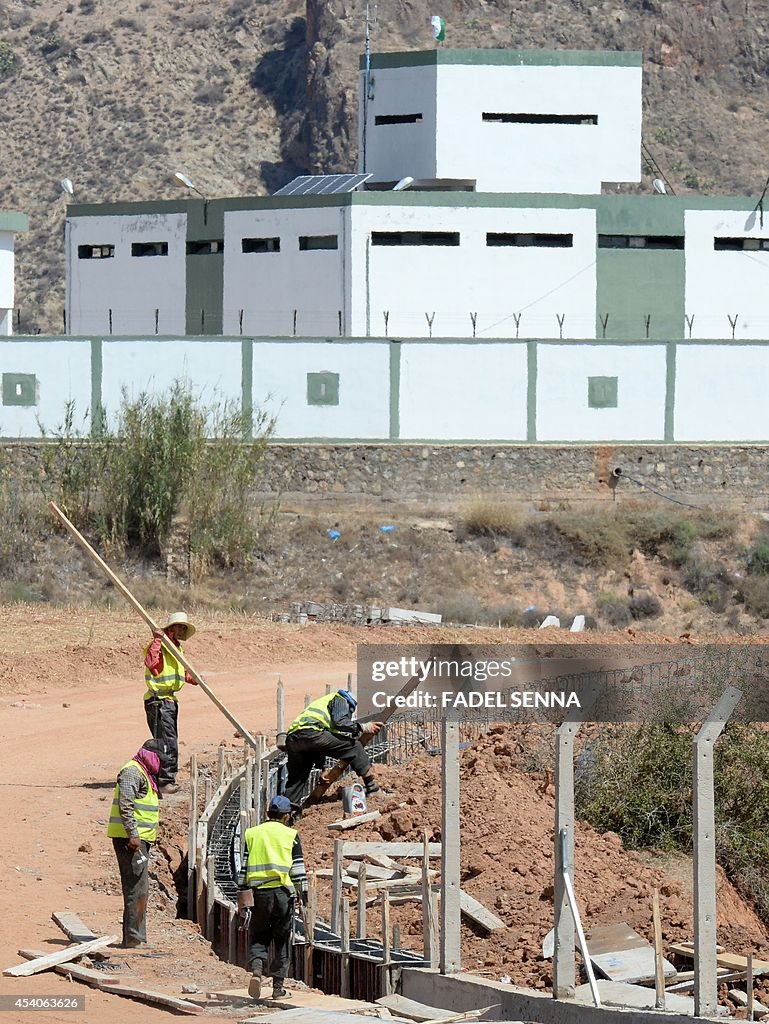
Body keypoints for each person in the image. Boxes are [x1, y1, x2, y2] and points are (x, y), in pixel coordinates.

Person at [237, 794, 308, 1000]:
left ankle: (257, 971)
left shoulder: (253, 834)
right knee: (282, 940)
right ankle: (277, 988)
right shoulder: (291, 835)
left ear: (268, 814)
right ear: (285, 816)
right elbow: (297, 869)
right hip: (283, 895)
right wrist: (303, 894)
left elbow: (244, 867)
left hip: (259, 894)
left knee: (259, 936)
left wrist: (242, 893)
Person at [283, 689, 384, 809]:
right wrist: (363, 727)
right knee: (354, 747)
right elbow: (339, 722)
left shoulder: (322, 707)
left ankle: (284, 813)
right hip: (312, 733)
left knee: (297, 779)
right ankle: (372, 788)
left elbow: (319, 746)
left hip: (294, 739)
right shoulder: (342, 699)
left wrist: (323, 768)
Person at [106, 739, 163, 949]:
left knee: (140, 889)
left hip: (138, 840)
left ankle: (135, 937)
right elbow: (126, 804)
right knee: (136, 889)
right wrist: (133, 835)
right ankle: (134, 939)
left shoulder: (144, 773)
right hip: (130, 841)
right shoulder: (132, 772)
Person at [143, 611, 198, 793]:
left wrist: (193, 678)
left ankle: (162, 776)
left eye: (184, 627)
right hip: (158, 701)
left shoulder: (177, 648)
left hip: (170, 700)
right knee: (167, 741)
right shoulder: (159, 646)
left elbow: (179, 672)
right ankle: (165, 781)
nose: (181, 630)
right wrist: (157, 640)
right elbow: (152, 664)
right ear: (171, 629)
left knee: (168, 740)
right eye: (179, 627)